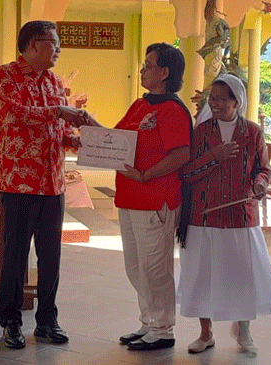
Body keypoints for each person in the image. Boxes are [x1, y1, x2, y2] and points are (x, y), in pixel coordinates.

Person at [0, 20, 89, 350]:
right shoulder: (5, 76)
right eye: (53, 43)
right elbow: (15, 114)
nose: (59, 49)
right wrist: (59, 111)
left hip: (53, 183)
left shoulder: (55, 83)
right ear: (34, 44)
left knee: (51, 257)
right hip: (20, 183)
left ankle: (47, 321)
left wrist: (77, 140)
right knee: (16, 255)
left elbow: (60, 130)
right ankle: (10, 321)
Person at [178, 74, 271, 357]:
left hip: (240, 216)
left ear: (237, 102)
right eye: (213, 98)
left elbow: (263, 169)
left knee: (242, 275)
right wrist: (215, 156)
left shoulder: (253, 132)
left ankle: (244, 331)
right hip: (203, 216)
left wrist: (260, 184)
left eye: (222, 99)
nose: (215, 103)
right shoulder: (201, 132)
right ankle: (205, 333)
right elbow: (187, 173)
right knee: (203, 275)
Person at [113, 43, 192, 351]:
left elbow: (180, 154)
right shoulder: (140, 105)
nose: (143, 70)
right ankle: (148, 322)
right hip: (129, 197)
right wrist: (88, 128)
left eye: (148, 65)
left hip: (155, 199)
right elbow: (116, 139)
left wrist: (146, 175)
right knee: (135, 266)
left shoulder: (172, 110)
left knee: (155, 268)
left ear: (165, 73)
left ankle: (162, 329)